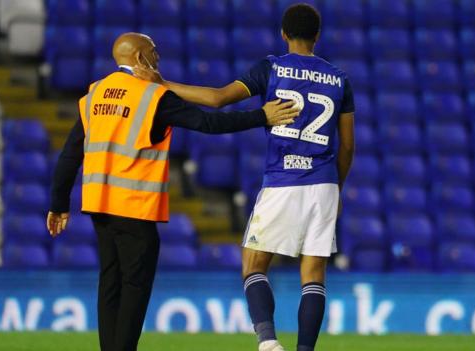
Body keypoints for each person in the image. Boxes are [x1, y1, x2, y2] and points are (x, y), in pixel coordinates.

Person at [46, 32, 299, 351]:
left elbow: (71, 153)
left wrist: (58, 203)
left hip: (100, 206)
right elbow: (209, 124)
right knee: (134, 288)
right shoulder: (151, 96)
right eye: (153, 52)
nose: (158, 58)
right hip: (135, 207)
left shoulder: (93, 95)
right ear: (139, 58)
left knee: (110, 283)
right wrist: (262, 115)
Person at [135, 4, 355, 351]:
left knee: (253, 265)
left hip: (284, 179)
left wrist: (163, 84)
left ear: (283, 34)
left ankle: (268, 342)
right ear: (318, 36)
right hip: (324, 181)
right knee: (313, 276)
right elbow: (348, 147)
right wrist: (336, 188)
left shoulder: (272, 68)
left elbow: (218, 98)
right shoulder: (340, 79)